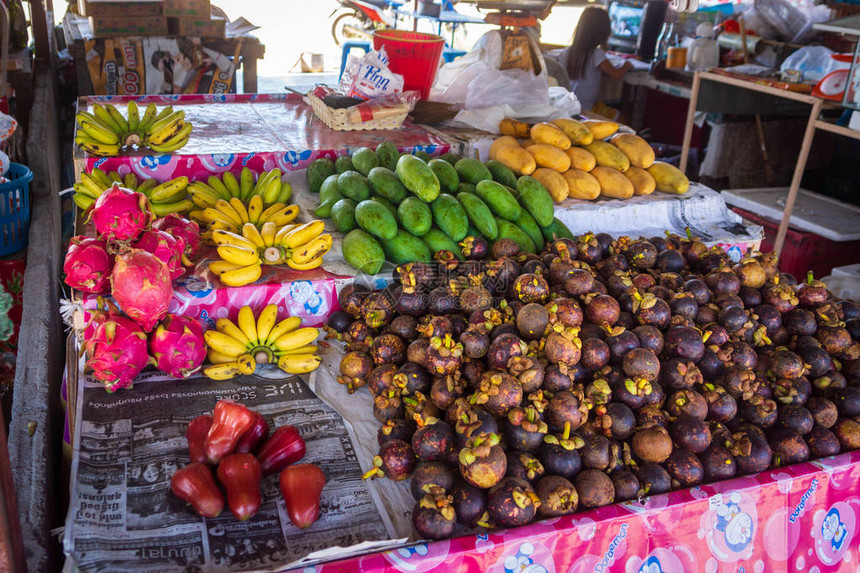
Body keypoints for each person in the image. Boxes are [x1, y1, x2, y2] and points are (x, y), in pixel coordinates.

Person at [563, 7, 632, 112]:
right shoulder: (596, 53)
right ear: (603, 33)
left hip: (568, 106)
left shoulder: (567, 51)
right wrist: (626, 65)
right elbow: (616, 75)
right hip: (586, 108)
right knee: (624, 118)